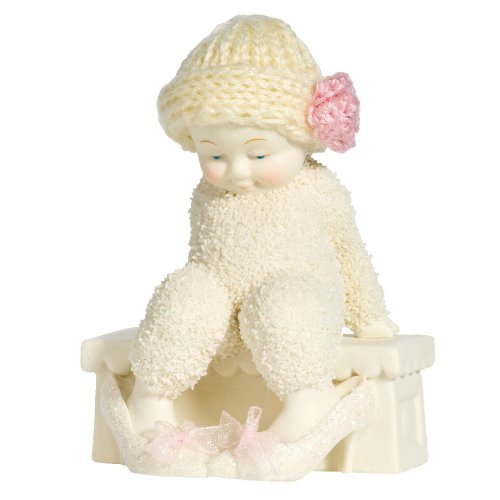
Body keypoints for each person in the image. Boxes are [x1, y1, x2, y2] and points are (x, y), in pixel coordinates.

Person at [127, 14, 398, 449]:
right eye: (214, 155)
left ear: (303, 138)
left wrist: (368, 315)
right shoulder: (207, 195)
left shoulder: (317, 189)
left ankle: (307, 397)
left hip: (299, 300)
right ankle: (152, 396)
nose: (236, 171)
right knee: (185, 292)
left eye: (258, 155)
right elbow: (204, 253)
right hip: (221, 310)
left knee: (284, 304)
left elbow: (348, 250)